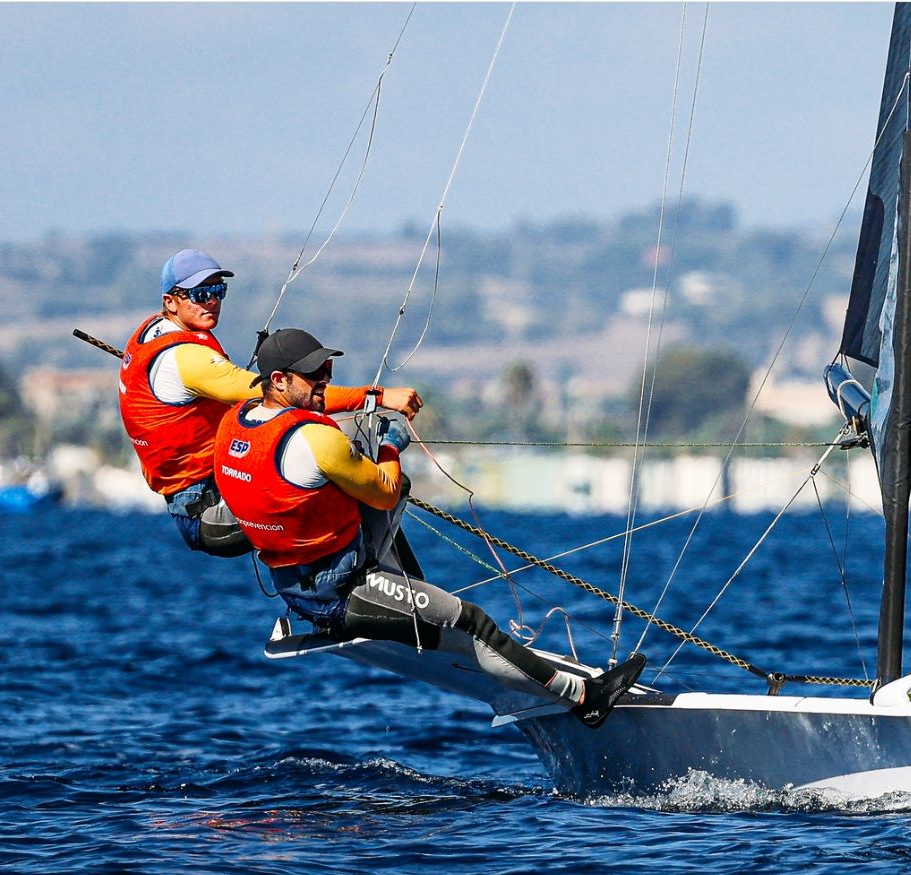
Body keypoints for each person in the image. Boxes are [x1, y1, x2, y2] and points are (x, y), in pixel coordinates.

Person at [212, 328, 644, 729]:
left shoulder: (234, 423)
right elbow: (383, 490)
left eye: (327, 370)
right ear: (280, 380)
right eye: (314, 374)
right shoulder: (315, 439)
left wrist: (372, 405)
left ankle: (412, 601)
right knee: (472, 622)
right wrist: (387, 446)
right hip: (343, 593)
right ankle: (586, 699)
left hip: (291, 584)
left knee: (386, 502)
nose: (325, 380)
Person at [118, 248, 423, 557]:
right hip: (206, 513)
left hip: (204, 493)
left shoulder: (149, 334)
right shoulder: (187, 358)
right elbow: (284, 395)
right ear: (170, 301)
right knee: (361, 484)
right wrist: (378, 396)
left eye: (218, 291)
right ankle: (360, 578)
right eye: (200, 293)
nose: (212, 301)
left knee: (346, 470)